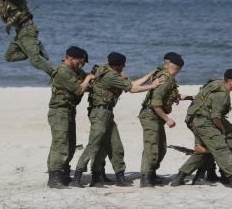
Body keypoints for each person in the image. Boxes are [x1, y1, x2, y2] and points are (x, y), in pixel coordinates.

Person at [71, 52, 163, 187]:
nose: (123, 69)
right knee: (93, 146)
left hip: (106, 113)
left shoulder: (108, 72)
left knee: (116, 146)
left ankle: (118, 178)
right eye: (122, 66)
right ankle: (77, 178)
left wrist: (149, 76)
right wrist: (152, 85)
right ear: (119, 66)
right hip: (100, 114)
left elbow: (130, 84)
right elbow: (132, 88)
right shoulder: (110, 75)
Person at [139, 52, 192, 187]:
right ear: (178, 68)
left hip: (156, 117)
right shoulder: (166, 78)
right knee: (151, 147)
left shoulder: (169, 78)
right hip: (151, 115)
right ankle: (145, 178)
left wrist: (190, 97)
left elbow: (172, 95)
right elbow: (155, 104)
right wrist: (167, 119)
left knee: (161, 148)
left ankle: (151, 173)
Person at [46, 46, 95, 189]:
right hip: (59, 111)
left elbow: (87, 85)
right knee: (60, 145)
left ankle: (64, 174)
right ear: (71, 58)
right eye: (81, 62)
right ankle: (54, 178)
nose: (82, 65)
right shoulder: (62, 71)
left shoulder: (75, 71)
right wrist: (88, 78)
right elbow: (79, 89)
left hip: (69, 111)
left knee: (70, 145)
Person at [0, 0, 53, 76]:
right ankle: (34, 49)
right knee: (9, 56)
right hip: (19, 32)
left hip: (27, 29)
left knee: (35, 61)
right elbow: (6, 17)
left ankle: (54, 74)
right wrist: (8, 24)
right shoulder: (1, 1)